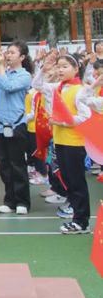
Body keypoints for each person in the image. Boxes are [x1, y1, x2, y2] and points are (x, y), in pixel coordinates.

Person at [35, 52, 92, 234]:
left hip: (74, 143)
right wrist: (43, 69)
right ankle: (77, 217)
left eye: (65, 66)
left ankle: (81, 221)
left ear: (76, 69)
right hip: (60, 141)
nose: (60, 69)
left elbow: (84, 116)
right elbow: (36, 85)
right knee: (67, 180)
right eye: (58, 66)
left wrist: (61, 122)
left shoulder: (79, 90)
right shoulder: (58, 87)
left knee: (76, 182)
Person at [0, 44, 33, 215]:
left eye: (12, 52)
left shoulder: (24, 76)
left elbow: (9, 87)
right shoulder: (2, 73)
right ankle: (9, 200)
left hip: (15, 124)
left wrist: (1, 67)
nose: (8, 55)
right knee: (4, 164)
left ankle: (22, 201)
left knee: (17, 164)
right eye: (7, 52)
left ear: (22, 57)